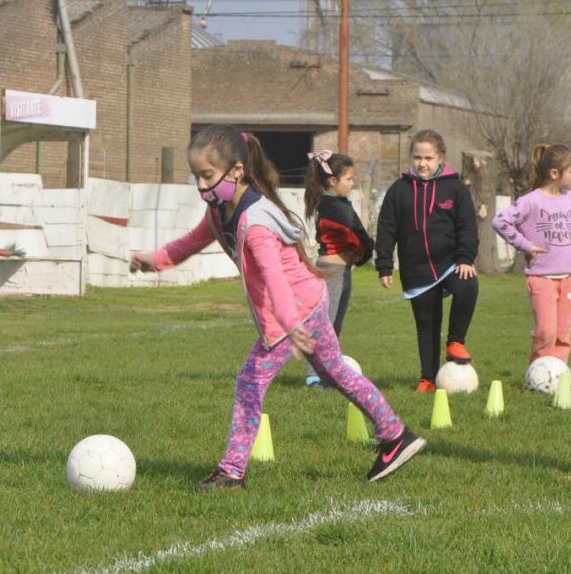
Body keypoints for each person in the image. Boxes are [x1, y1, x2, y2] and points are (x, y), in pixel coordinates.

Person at [130, 126, 425, 489]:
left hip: (294, 312)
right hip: (308, 302)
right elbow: (191, 242)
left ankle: (232, 471)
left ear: (236, 170)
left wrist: (290, 325)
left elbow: (274, 278)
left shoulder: (255, 223)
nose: (201, 186)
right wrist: (155, 259)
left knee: (250, 381)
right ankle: (395, 434)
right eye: (196, 176)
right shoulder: (220, 210)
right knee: (335, 373)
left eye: (207, 175)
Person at [375, 129, 480, 392]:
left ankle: (455, 341)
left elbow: (468, 227)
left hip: (451, 263)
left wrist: (465, 258)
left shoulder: (456, 188)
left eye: (428, 158)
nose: (422, 163)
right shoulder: (398, 190)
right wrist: (385, 266)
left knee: (468, 285)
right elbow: (386, 229)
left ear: (441, 157)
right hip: (416, 268)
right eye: (417, 157)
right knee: (426, 324)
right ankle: (428, 379)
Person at [492, 143, 571, 366]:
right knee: (546, 331)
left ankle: (558, 375)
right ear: (554, 173)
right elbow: (500, 222)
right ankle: (538, 373)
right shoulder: (530, 201)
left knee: (563, 333)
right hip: (541, 277)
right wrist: (525, 245)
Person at [301, 149, 375, 388]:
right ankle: (313, 376)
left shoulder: (339, 203)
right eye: (349, 179)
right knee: (324, 326)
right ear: (333, 181)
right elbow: (355, 232)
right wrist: (367, 248)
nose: (353, 183)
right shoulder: (330, 206)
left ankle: (328, 371)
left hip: (343, 272)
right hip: (330, 272)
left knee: (335, 325)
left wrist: (361, 252)